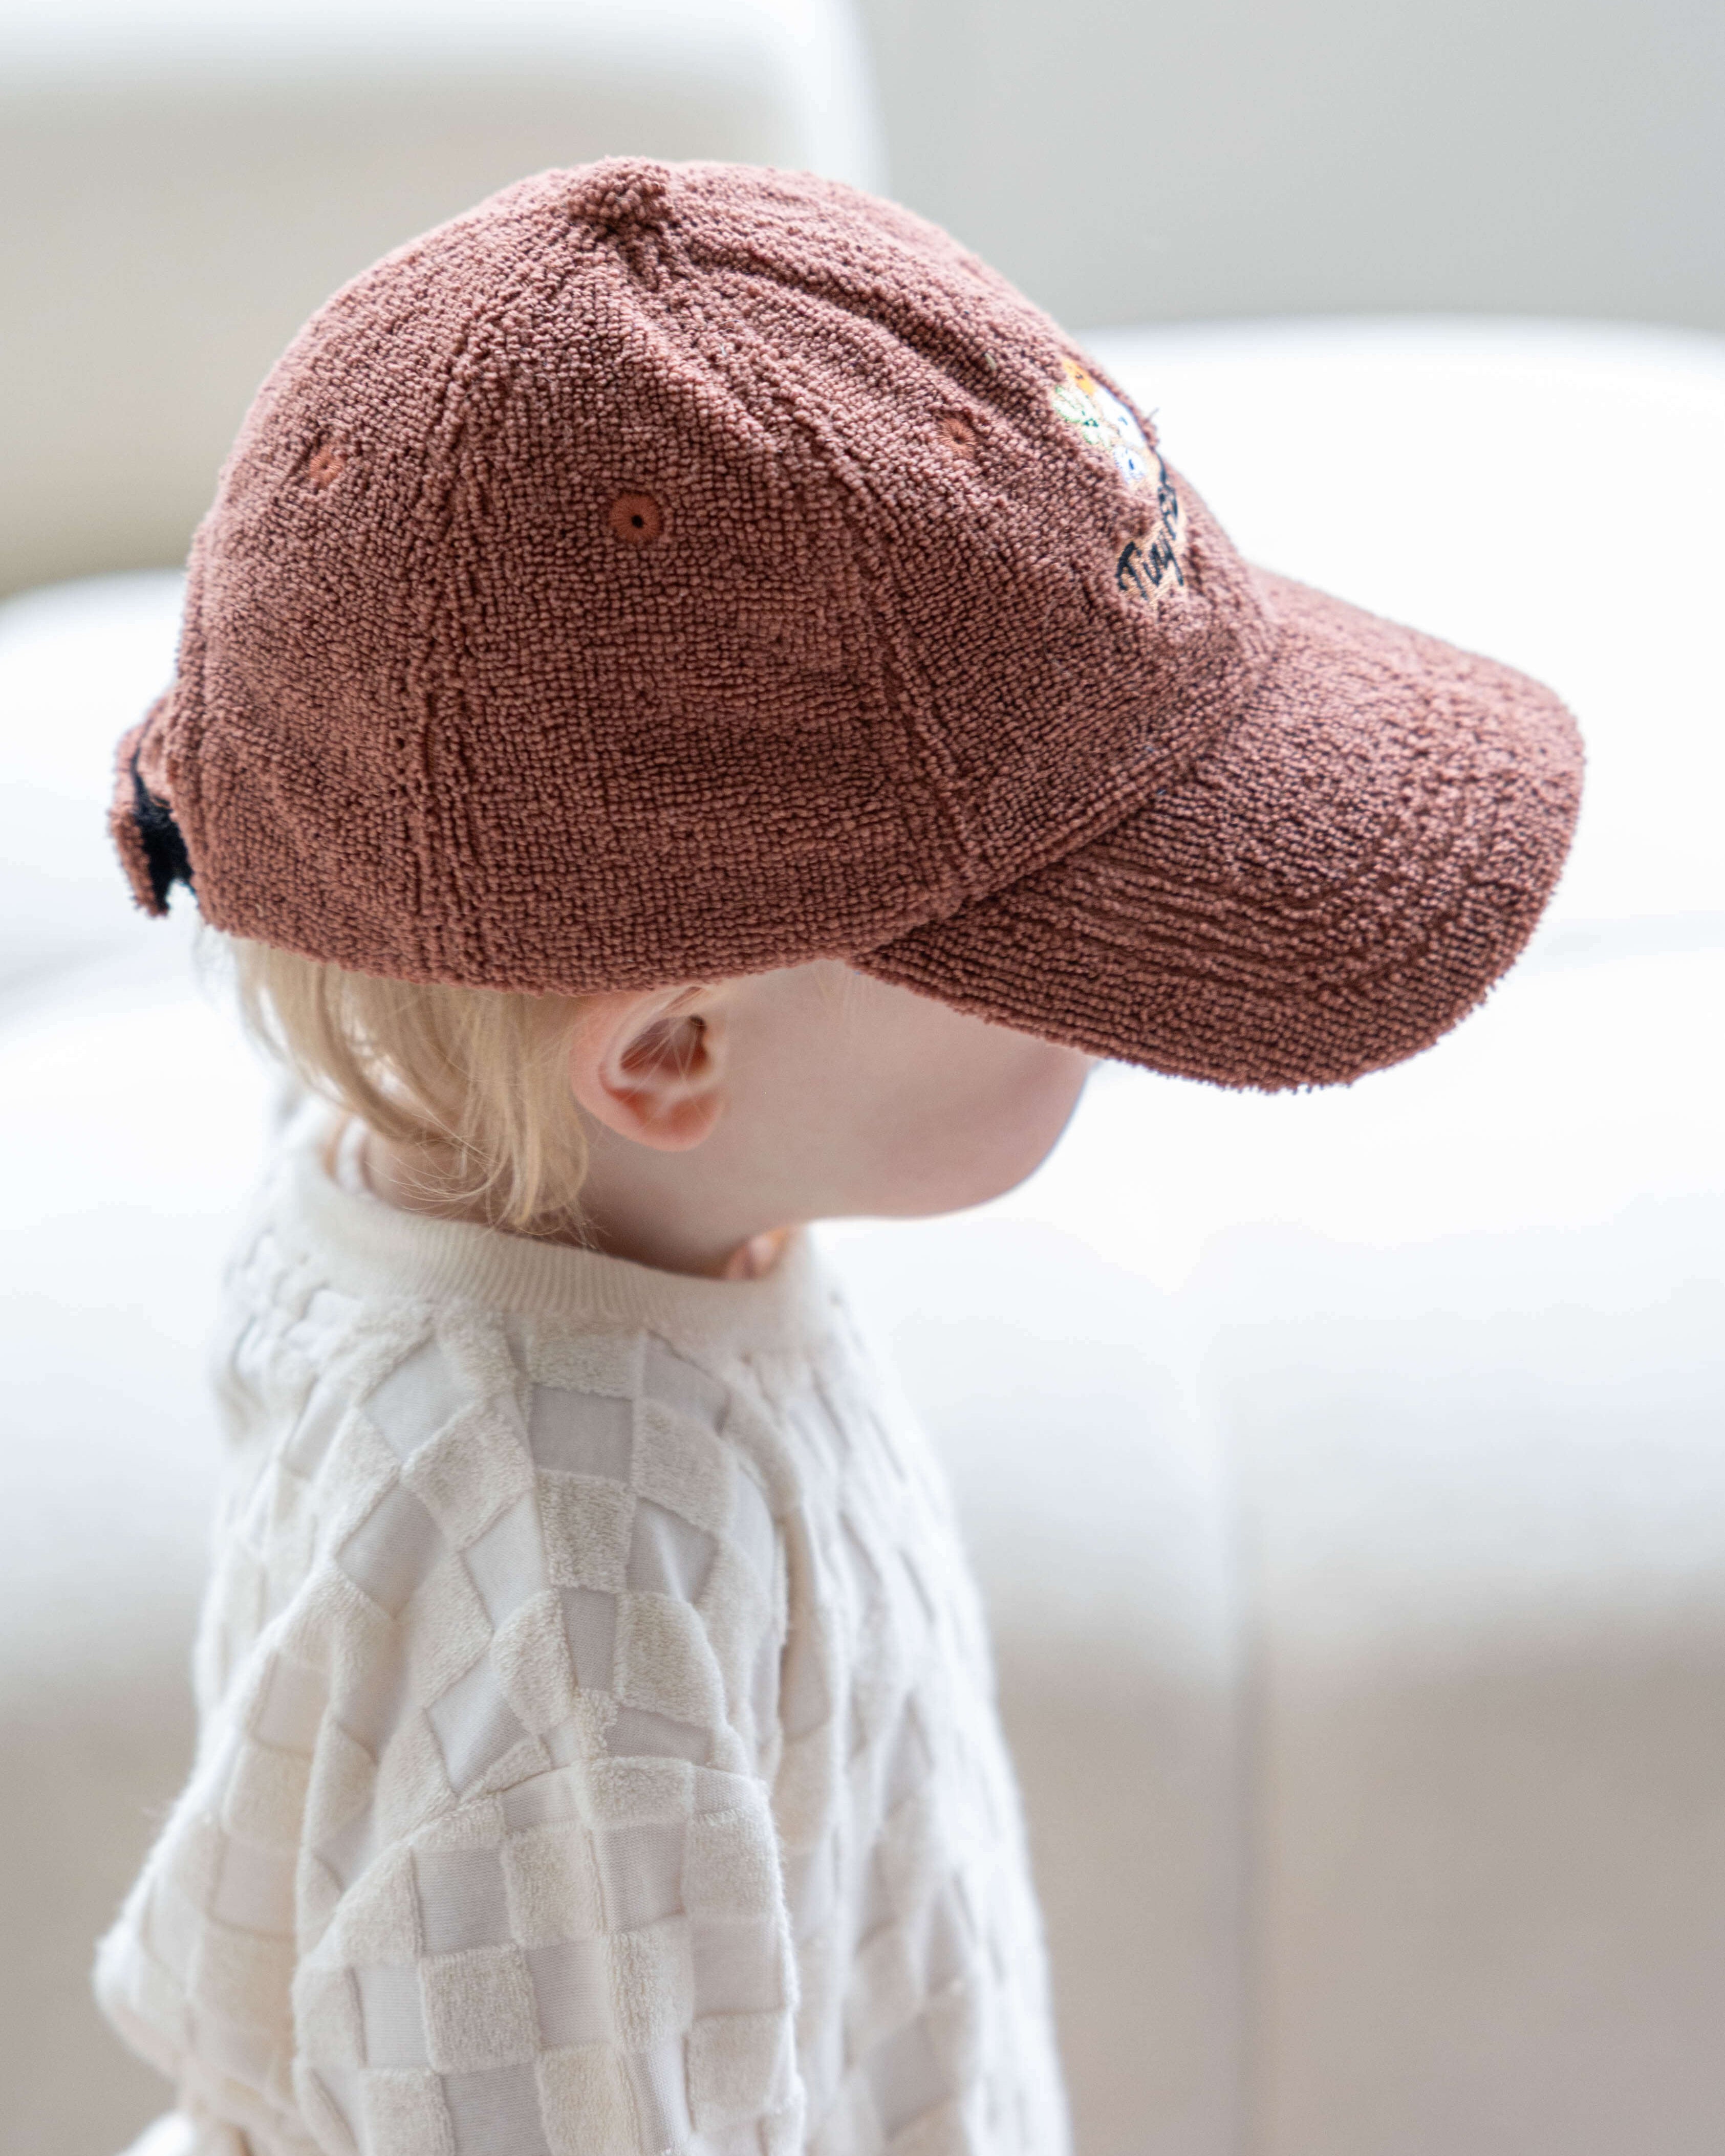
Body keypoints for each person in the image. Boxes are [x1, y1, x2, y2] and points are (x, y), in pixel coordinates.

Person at [96, 160, 1582, 2156]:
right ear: (676, 1048)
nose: (1132, 1040)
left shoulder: (505, 1194)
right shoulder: (568, 1587)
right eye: (1067, 973)